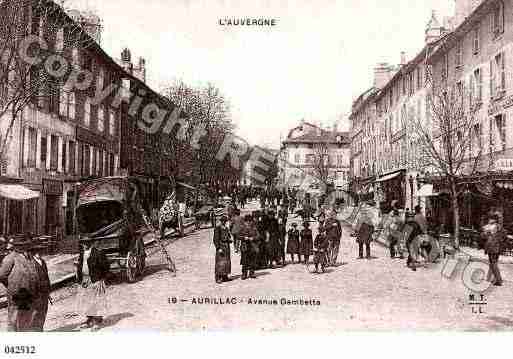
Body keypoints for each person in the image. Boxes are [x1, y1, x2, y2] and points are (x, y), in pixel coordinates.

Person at [0, 237, 39, 332]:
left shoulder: (29, 257)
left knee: (26, 317)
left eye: (26, 245)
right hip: (17, 293)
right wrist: (12, 286)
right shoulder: (10, 258)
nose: (25, 247)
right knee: (14, 318)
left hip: (29, 293)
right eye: (22, 245)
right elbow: (2, 275)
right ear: (16, 247)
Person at [76, 239, 110, 330]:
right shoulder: (82, 253)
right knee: (87, 301)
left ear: (90, 243)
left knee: (96, 300)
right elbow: (80, 265)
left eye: (86, 243)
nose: (84, 245)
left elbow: (106, 267)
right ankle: (89, 319)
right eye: (82, 243)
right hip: (85, 280)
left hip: (95, 280)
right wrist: (79, 277)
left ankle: (97, 321)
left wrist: (102, 279)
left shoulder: (98, 253)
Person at [30, 245, 50, 331]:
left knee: (43, 311)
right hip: (36, 292)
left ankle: (40, 329)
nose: (38, 253)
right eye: (36, 251)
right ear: (33, 252)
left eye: (40, 251)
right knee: (36, 313)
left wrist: (49, 290)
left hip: (45, 291)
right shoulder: (31, 263)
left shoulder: (43, 261)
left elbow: (46, 276)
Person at [483, 215, 504, 286]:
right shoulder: (499, 227)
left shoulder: (491, 227)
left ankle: (499, 280)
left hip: (492, 248)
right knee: (493, 263)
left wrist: (486, 233)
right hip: (496, 248)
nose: (488, 220)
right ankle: (489, 278)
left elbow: (485, 236)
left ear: (493, 220)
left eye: (490, 219)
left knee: (493, 263)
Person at [213, 216, 232, 284]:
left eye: (225, 221)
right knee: (220, 263)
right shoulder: (217, 228)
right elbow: (215, 239)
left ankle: (225, 276)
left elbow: (228, 236)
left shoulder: (226, 228)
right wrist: (218, 248)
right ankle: (218, 277)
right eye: (223, 221)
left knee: (226, 262)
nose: (224, 222)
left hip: (226, 247)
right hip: (221, 247)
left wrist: (229, 240)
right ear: (221, 221)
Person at [239, 215, 258, 280]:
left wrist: (253, 238)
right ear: (245, 221)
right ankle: (244, 273)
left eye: (250, 221)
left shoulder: (254, 228)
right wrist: (244, 238)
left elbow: (258, 236)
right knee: (244, 260)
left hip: (252, 246)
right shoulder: (242, 228)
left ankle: (251, 273)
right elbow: (238, 236)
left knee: (252, 260)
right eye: (248, 221)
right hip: (245, 246)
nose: (249, 222)